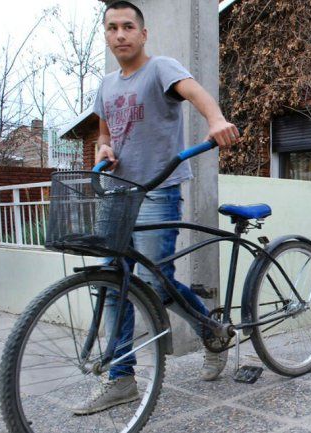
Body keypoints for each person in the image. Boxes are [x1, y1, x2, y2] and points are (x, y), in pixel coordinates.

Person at [73, 1, 239, 415]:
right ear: (107, 35)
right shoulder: (106, 85)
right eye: (112, 28)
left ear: (142, 34)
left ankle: (212, 331)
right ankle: (121, 378)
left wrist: (216, 120)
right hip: (118, 192)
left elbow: (196, 92)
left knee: (153, 280)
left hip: (157, 188)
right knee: (113, 284)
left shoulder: (161, 67)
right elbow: (104, 135)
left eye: (128, 26)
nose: (120, 34)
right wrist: (104, 148)